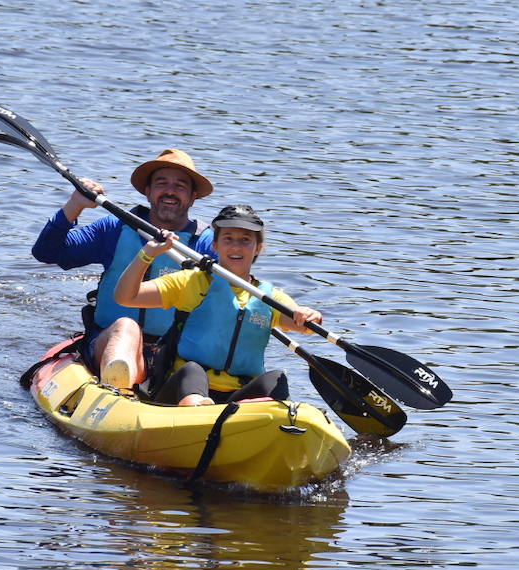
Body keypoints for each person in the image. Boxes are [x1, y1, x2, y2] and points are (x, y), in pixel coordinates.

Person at [31, 148, 217, 390]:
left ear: (193, 197)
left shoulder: (205, 244)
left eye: (180, 186)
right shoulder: (115, 228)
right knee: (126, 327)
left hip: (174, 352)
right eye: (161, 183)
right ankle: (116, 393)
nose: (170, 191)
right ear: (148, 191)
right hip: (109, 340)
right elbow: (47, 252)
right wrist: (74, 205)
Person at [113, 204, 322, 406]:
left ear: (258, 247)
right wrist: (147, 255)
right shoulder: (191, 282)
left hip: (237, 396)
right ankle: (196, 412)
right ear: (215, 245)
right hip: (182, 389)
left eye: (245, 240)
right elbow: (125, 297)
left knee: (275, 379)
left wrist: (309, 315)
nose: (235, 247)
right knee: (192, 371)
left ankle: (276, 427)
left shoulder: (268, 296)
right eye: (228, 239)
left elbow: (302, 324)